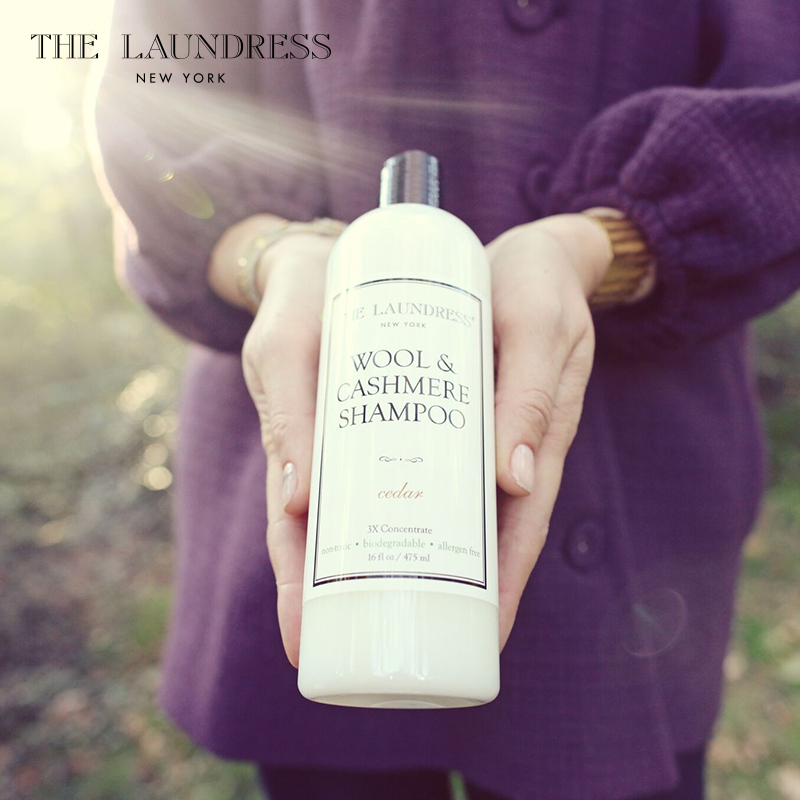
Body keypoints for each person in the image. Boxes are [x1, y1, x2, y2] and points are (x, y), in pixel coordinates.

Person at [91, 1, 800, 798]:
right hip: (315, 500)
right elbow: (153, 107)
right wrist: (267, 254)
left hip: (635, 498)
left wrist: (600, 245)